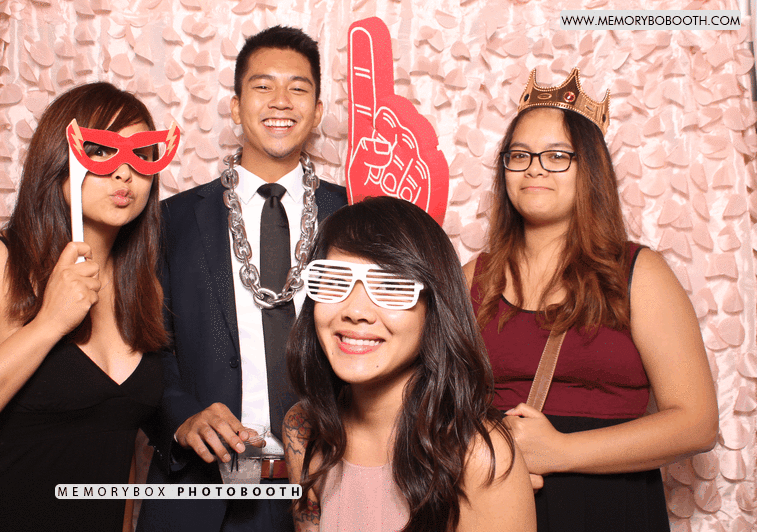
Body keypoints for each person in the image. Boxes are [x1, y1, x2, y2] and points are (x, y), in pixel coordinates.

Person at [463, 68, 719, 531]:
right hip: (496, 504)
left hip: (609, 508)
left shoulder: (640, 275)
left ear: (591, 170)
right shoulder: (471, 279)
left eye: (557, 155)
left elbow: (697, 422)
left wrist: (561, 450)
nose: (534, 167)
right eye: (519, 155)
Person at [137, 26, 348, 532]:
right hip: (200, 490)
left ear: (318, 111)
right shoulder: (172, 221)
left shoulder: (352, 215)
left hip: (330, 486)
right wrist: (182, 418)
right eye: (263, 86)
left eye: (298, 88)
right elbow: (142, 346)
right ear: (235, 107)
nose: (281, 101)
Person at [0, 81, 169, 531]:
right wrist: (47, 325)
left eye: (141, 155)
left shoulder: (144, 289)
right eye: (101, 152)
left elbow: (118, 446)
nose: (124, 173)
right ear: (59, 158)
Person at [283, 196, 536, 532]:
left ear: (434, 308)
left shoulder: (479, 456)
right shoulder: (303, 429)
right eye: (335, 280)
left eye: (391, 287)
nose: (355, 311)